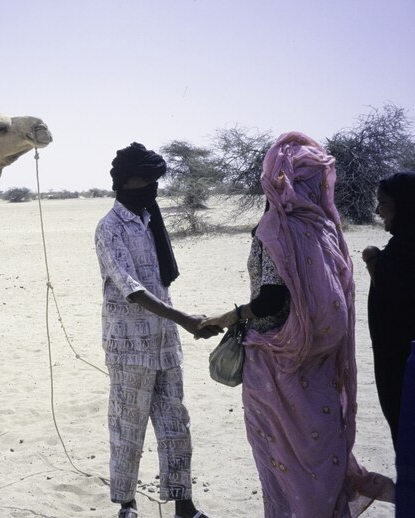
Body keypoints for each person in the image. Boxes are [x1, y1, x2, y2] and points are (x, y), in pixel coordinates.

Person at [201, 132, 394, 516]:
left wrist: (230, 316)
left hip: (275, 362)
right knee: (320, 451)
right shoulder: (325, 227)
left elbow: (271, 298)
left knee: (281, 457)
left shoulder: (274, 228)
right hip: (320, 359)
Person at [94, 142, 219, 518]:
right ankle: (127, 504)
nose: (151, 187)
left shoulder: (151, 221)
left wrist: (179, 323)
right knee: (127, 428)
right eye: (144, 180)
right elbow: (130, 287)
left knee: (175, 425)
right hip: (129, 346)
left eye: (153, 180)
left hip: (166, 345)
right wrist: (184, 317)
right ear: (124, 182)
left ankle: (184, 504)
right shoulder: (109, 228)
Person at [361, 171, 415, 450]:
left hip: (405, 369)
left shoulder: (404, 252)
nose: (377, 210)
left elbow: (395, 297)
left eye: (382, 202)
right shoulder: (400, 248)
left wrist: (372, 258)